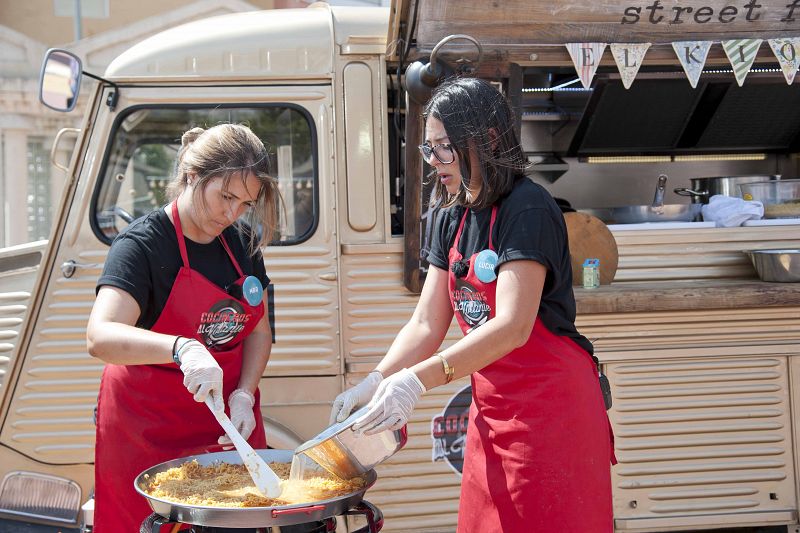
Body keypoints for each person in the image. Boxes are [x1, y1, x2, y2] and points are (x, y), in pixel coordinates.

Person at [330, 77, 615, 532]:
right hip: (493, 414)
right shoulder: (449, 215)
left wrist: (416, 382)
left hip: (553, 413)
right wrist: (376, 380)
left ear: (488, 140)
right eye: (429, 148)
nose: (435, 161)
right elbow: (426, 323)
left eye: (445, 147)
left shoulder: (528, 207)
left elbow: (512, 326)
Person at [86, 123, 280, 531]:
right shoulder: (142, 245)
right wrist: (181, 348)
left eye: (244, 203)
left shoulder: (242, 245)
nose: (232, 213)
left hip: (225, 426)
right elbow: (100, 336)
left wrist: (244, 393)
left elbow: (260, 331)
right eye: (225, 196)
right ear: (193, 176)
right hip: (147, 430)